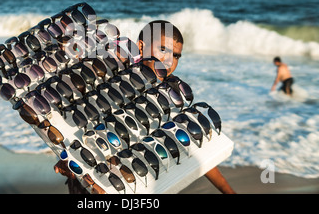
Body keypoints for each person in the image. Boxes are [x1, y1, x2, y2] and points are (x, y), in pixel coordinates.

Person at [55, 20, 236, 194]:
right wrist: (66, 160)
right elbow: (74, 118)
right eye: (163, 50)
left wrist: (228, 191)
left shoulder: (173, 96)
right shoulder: (113, 76)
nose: (169, 60)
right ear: (141, 47)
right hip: (92, 179)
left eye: (176, 55)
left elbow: (195, 148)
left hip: (133, 183)